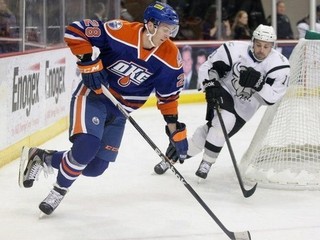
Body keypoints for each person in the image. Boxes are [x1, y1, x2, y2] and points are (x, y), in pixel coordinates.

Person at [19, 1, 188, 215]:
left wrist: (174, 130)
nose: (170, 34)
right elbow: (75, 30)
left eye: (173, 29)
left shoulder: (170, 56)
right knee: (87, 146)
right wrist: (87, 61)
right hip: (94, 97)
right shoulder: (121, 32)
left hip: (120, 112)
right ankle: (58, 191)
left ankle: (42, 157)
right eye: (166, 28)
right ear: (151, 25)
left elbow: (168, 97)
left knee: (95, 167)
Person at [154, 24, 290, 180]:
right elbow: (208, 67)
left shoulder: (279, 65)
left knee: (206, 134)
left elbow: (272, 98)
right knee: (226, 119)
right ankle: (207, 163)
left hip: (244, 110)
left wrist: (259, 84)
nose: (261, 49)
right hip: (224, 91)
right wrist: (210, 84)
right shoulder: (235, 50)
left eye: (266, 46)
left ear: (272, 46)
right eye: (258, 44)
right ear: (252, 41)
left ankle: (171, 157)